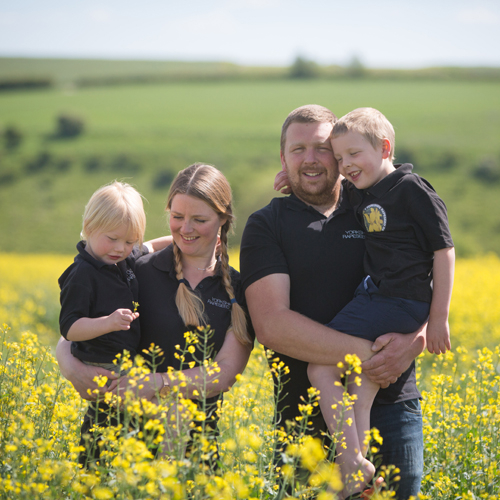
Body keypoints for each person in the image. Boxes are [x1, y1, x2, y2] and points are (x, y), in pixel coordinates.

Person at [240, 105, 428, 500]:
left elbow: (424, 276)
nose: (310, 159)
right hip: (304, 414)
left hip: (392, 406)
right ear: (283, 157)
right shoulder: (266, 224)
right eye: (298, 149)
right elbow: (272, 325)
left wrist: (418, 339)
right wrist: (372, 356)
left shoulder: (375, 206)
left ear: (342, 155)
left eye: (322, 148)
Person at [56, 164, 253, 467]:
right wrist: (70, 367)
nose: (185, 229)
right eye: (177, 217)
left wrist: (156, 383)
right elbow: (75, 328)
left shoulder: (238, 289)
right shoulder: (137, 269)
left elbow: (225, 372)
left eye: (199, 220)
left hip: (193, 450)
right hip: (116, 442)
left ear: (223, 220)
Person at [304, 107, 454, 498]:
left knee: (321, 366)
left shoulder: (412, 189)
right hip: (384, 298)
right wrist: (293, 178)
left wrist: (438, 319)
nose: (345, 165)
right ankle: (360, 466)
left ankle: (351, 463)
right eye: (339, 158)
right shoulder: (363, 191)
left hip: (397, 299)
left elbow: (444, 251)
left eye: (354, 154)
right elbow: (331, 188)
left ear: (385, 147)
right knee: (362, 379)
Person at [58, 180, 173, 465]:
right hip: (103, 367)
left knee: (136, 430)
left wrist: (182, 239)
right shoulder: (82, 273)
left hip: (128, 363)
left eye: (129, 241)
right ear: (89, 226)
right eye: (113, 239)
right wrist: (106, 323)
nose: (121, 248)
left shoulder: (121, 258)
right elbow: (70, 328)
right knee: (106, 434)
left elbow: (150, 246)